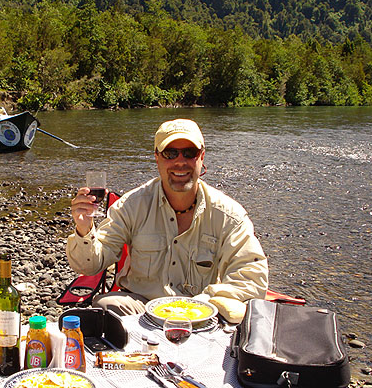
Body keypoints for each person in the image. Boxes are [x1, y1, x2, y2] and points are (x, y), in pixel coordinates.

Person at [67, 119, 268, 315]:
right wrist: (84, 229)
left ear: (202, 157)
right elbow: (89, 266)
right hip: (141, 308)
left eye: (189, 153)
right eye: (170, 153)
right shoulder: (131, 206)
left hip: (200, 311)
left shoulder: (229, 215)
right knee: (106, 305)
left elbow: (251, 277)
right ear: (157, 157)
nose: (180, 161)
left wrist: (201, 305)